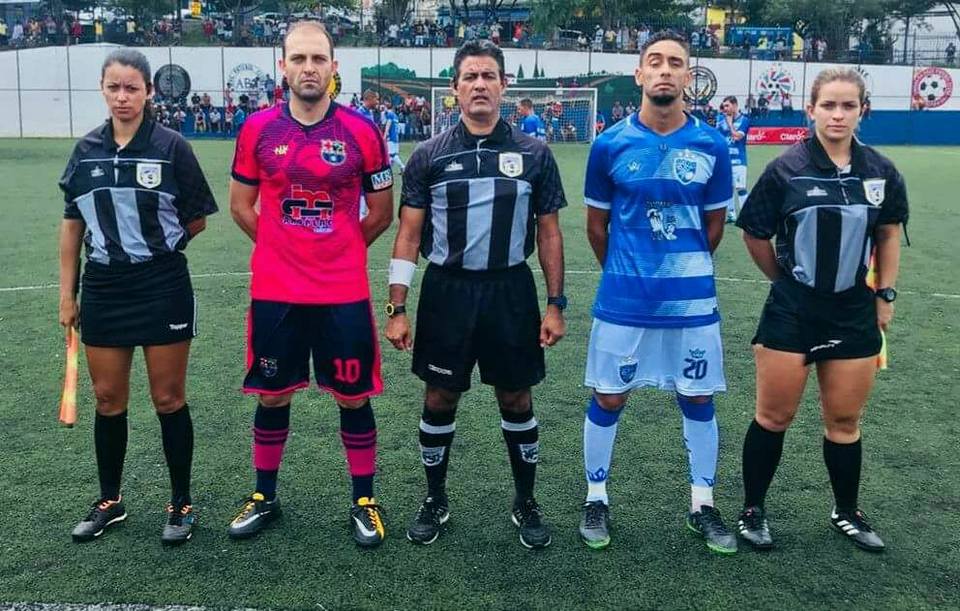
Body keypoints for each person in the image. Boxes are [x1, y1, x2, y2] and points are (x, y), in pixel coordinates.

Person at [385, 40, 567, 549]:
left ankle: (526, 499)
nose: (480, 84)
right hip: (448, 292)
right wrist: (397, 307)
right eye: (470, 76)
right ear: (455, 88)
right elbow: (408, 235)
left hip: (510, 290)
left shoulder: (534, 154)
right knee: (439, 395)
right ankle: (435, 498)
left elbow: (549, 233)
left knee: (516, 395)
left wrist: (556, 304)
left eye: (489, 76)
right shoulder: (429, 155)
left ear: (504, 85)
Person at [226, 21, 394, 548]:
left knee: (353, 397)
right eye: (298, 58)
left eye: (318, 59)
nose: (308, 68)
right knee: (272, 395)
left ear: (334, 66)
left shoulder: (362, 131)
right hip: (276, 290)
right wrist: (284, 247)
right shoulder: (257, 130)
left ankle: (364, 501)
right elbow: (241, 206)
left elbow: (381, 212)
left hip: (343, 291)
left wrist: (338, 249)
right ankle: (264, 496)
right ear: (283, 67)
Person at [735, 68, 909, 553]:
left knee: (845, 422)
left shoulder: (881, 171)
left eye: (848, 106)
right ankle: (753, 510)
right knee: (773, 417)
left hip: (853, 309)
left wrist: (885, 295)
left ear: (862, 111)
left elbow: (888, 234)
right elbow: (754, 233)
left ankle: (846, 511)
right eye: (828, 105)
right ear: (810, 109)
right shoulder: (785, 169)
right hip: (792, 309)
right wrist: (782, 281)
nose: (837, 115)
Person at [579, 31, 737, 555]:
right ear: (639, 74)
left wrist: (678, 268)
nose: (665, 70)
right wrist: (629, 273)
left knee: (697, 396)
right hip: (624, 301)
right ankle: (596, 497)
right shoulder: (609, 144)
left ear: (688, 76)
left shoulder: (712, 145)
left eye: (675, 62)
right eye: (655, 61)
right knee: (609, 395)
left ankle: (702, 504)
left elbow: (713, 227)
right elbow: (596, 227)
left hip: (692, 304)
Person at [59, 49, 218, 545]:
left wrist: (158, 247)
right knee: (108, 399)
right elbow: (72, 225)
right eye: (114, 87)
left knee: (168, 398)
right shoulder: (86, 151)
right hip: (105, 288)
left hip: (161, 285)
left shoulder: (172, 147)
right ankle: (110, 500)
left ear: (149, 91)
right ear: (103, 90)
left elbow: (196, 217)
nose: (122, 97)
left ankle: (181, 503)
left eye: (132, 88)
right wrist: (67, 295)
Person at [716, 96, 751, 223]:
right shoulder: (720, 119)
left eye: (727, 105)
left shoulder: (744, 120)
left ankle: (746, 214)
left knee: (740, 188)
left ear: (735, 105)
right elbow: (717, 136)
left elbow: (737, 137)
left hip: (739, 160)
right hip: (725, 160)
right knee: (727, 188)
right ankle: (731, 214)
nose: (725, 108)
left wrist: (730, 124)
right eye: (724, 106)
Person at [381, 101, 405, 172]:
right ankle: (389, 169)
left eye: (384, 108)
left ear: (386, 107)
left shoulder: (390, 114)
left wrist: (384, 136)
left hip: (391, 137)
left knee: (391, 155)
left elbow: (388, 125)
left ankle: (403, 166)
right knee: (393, 155)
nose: (383, 110)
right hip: (396, 137)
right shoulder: (395, 115)